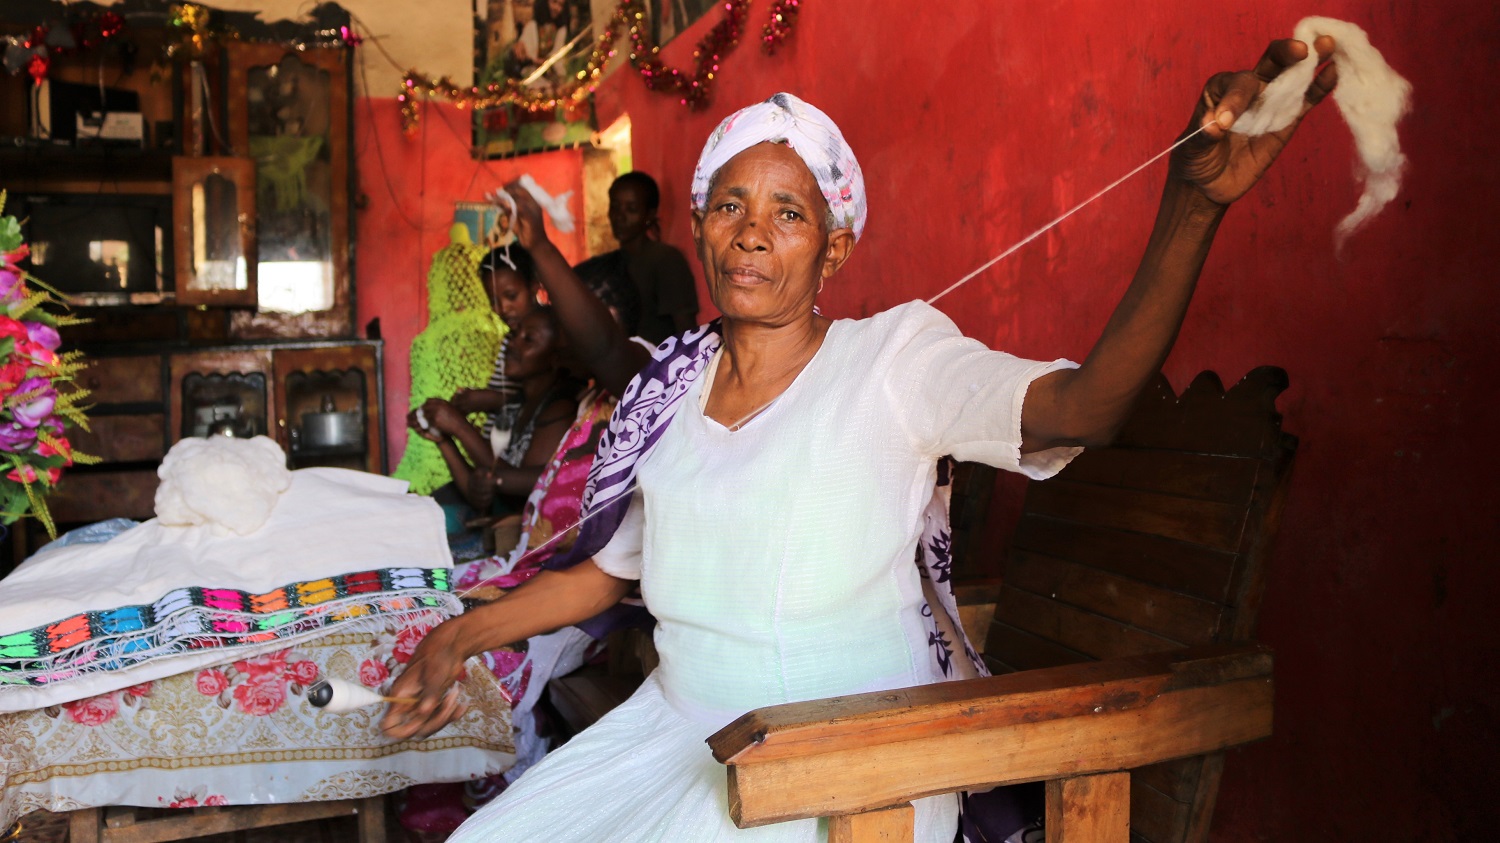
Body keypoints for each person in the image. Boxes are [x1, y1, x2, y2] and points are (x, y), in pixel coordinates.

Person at [384, 37, 1338, 842]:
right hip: (676, 733)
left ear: (833, 249)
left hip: (848, 764)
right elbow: (611, 574)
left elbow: (1083, 409)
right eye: (731, 207)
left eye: (788, 214)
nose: (753, 234)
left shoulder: (896, 359)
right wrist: (458, 636)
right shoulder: (673, 391)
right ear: (705, 232)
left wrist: (1191, 206)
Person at [606, 171, 701, 344]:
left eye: (631, 209)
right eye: (615, 207)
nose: (619, 217)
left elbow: (686, 329)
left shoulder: (666, 260)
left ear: (650, 214)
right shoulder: (611, 263)